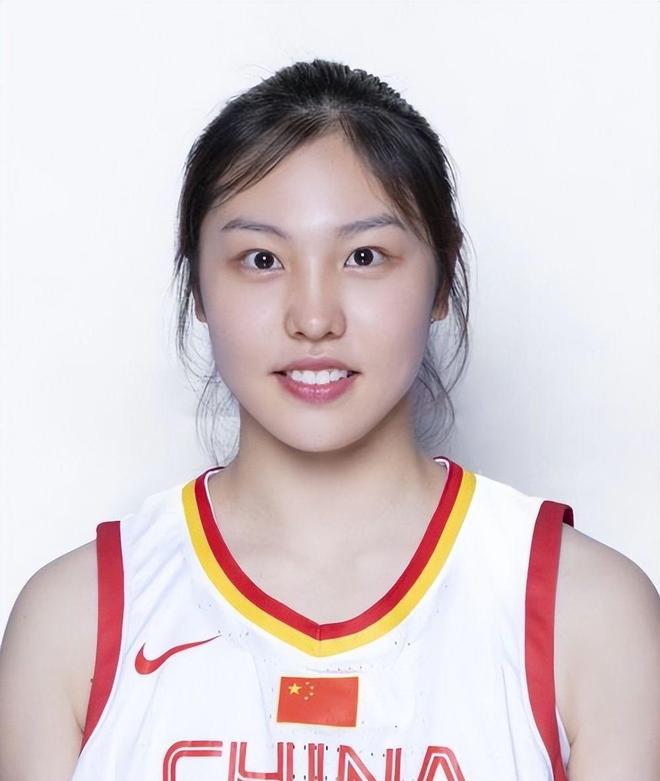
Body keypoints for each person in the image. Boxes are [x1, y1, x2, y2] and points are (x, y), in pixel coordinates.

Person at [1, 58, 658, 781]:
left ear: (442, 278)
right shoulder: (75, 621)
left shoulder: (587, 614)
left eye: (364, 256)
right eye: (261, 259)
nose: (314, 318)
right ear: (197, 288)